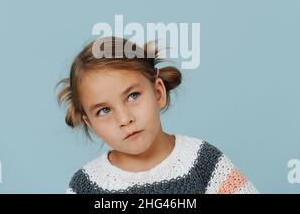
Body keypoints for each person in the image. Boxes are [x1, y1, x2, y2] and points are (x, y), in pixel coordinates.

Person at [56, 36, 259, 194]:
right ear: (90, 124)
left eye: (133, 96)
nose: (125, 119)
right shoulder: (86, 185)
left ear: (158, 93)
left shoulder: (201, 162)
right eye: (104, 110)